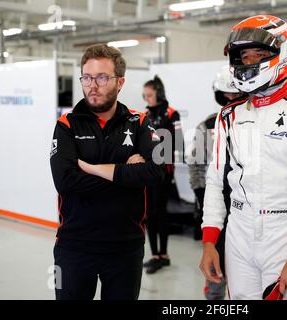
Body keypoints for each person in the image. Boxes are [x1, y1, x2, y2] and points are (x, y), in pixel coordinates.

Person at [199, 15, 287, 300]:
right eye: (244, 56)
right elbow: (215, 181)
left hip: (285, 233)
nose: (249, 62)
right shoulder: (228, 116)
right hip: (237, 234)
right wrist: (209, 242)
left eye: (259, 55)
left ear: (284, 54)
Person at [50, 44, 164, 300]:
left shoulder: (140, 121)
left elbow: (156, 172)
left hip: (126, 247)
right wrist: (126, 173)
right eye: (87, 77)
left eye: (102, 77)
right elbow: (66, 181)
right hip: (74, 246)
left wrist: (93, 169)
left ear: (120, 82)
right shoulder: (66, 125)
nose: (93, 85)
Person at [188, 65, 242, 300]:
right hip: (217, 205)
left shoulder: (260, 123)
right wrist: (200, 194)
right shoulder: (209, 125)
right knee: (215, 265)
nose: (230, 98)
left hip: (249, 209)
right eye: (226, 94)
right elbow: (196, 162)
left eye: (235, 93)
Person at [142, 75, 184, 274]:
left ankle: (163, 255)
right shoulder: (144, 115)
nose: (147, 99)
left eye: (149, 95)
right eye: (145, 95)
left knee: (160, 213)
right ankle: (155, 255)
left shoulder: (172, 113)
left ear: (159, 93)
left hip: (164, 171)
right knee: (149, 214)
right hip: (147, 170)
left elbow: (179, 141)